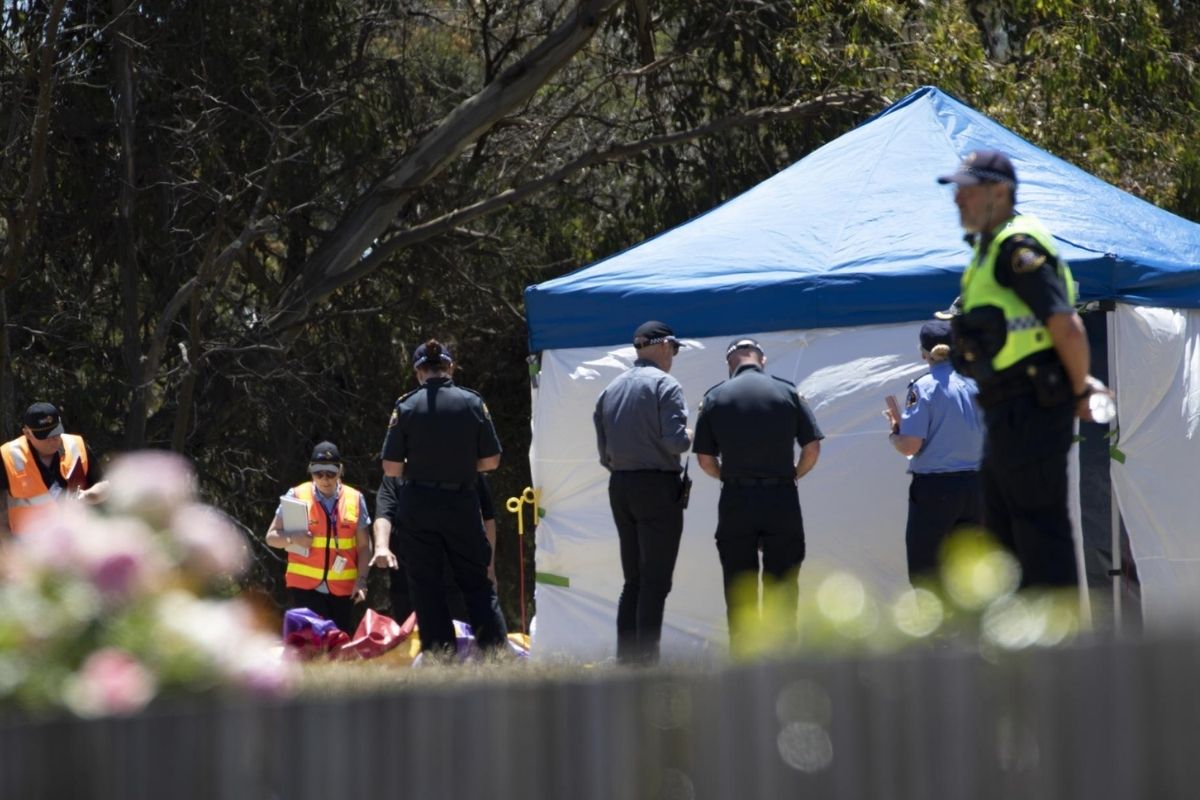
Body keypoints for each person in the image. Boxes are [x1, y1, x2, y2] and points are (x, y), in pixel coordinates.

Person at [937, 149, 1111, 588]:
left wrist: (1080, 388)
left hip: (1031, 404)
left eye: (969, 191)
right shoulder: (988, 251)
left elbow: (1065, 325)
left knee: (1038, 529)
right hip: (1006, 409)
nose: (959, 201)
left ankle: (1060, 647)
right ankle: (1021, 642)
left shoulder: (1017, 247)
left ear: (1000, 192)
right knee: (1003, 533)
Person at [370, 339, 508, 656]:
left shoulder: (405, 406)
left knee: (426, 586)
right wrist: (456, 466)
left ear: (419, 371)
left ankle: (440, 655)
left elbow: (390, 467)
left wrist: (422, 468)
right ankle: (496, 654)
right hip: (461, 501)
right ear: (450, 367)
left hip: (418, 504)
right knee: (476, 583)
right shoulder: (472, 402)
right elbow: (492, 461)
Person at [692, 338, 823, 649]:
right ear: (762, 360)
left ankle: (744, 659)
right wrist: (794, 473)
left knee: (740, 585)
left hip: (737, 500)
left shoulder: (715, 397)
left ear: (730, 363)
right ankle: (783, 656)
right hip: (781, 499)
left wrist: (730, 476)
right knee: (783, 585)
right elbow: (813, 448)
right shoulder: (788, 392)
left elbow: (704, 459)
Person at [593, 320, 691, 665]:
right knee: (655, 581)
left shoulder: (611, 389)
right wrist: (695, 431)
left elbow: (604, 453)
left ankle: (626, 661)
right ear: (664, 345)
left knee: (632, 580)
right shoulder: (666, 384)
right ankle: (646, 665)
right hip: (656, 487)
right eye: (675, 349)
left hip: (620, 486)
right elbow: (675, 441)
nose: (674, 356)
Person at [883, 320, 984, 585]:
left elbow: (911, 445)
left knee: (927, 572)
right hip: (979, 486)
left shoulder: (923, 387)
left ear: (923, 353)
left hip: (937, 489)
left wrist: (895, 434)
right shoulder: (978, 382)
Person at [264, 441, 371, 633]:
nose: (325, 479)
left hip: (343, 588)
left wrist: (361, 581)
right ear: (310, 471)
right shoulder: (296, 495)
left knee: (338, 645)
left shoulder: (355, 498)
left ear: (340, 471)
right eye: (318, 473)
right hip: (305, 588)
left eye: (331, 473)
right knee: (312, 645)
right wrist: (293, 538)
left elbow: (364, 546)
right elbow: (271, 537)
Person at [374, 471, 498, 625]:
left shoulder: (465, 466)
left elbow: (488, 518)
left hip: (454, 574)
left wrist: (490, 566)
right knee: (410, 639)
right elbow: (384, 514)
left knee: (459, 634)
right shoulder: (395, 472)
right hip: (408, 575)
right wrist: (381, 546)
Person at [0, 402, 108, 538]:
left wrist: (87, 496)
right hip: (27, 548)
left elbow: (105, 485)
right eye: (45, 435)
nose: (54, 439)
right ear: (27, 433)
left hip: (74, 541)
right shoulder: (8, 456)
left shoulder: (77, 446)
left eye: (56, 431)